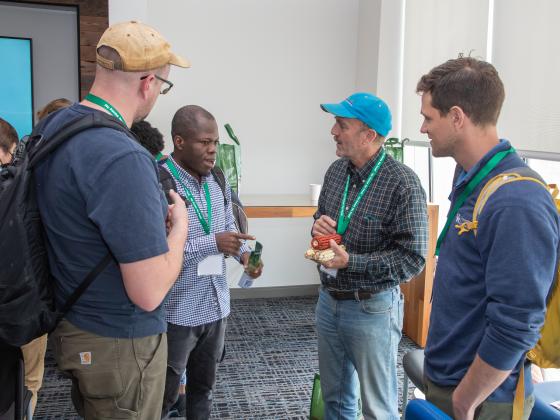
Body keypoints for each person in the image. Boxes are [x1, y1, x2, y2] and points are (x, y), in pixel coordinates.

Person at [34, 21, 190, 419]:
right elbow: (149, 290)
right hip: (121, 341)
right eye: (163, 86)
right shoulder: (123, 156)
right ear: (147, 83)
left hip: (75, 322)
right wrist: (180, 229)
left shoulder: (55, 127)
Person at [416, 57, 560, 420]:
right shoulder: (469, 176)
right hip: (451, 379)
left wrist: (466, 399)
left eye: (429, 118)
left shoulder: (517, 201)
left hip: (484, 398)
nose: (422, 128)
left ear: (457, 117)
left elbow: (518, 321)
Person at [313, 92, 428, 419]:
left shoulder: (403, 184)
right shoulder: (336, 172)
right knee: (335, 401)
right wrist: (318, 227)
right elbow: (325, 221)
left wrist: (352, 262)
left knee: (378, 408)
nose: (334, 131)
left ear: (369, 136)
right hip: (329, 300)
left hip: (372, 308)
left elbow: (412, 258)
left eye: (342, 124)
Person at [161, 105, 263, 419]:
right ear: (179, 141)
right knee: (162, 397)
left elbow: (225, 224)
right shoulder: (160, 182)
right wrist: (213, 243)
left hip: (216, 306)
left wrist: (242, 254)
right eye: (204, 142)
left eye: (215, 142)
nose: (213, 150)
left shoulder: (217, 177)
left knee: (203, 391)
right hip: (177, 310)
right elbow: (159, 249)